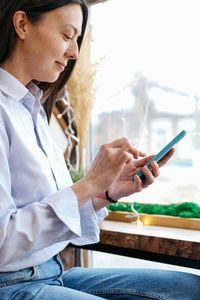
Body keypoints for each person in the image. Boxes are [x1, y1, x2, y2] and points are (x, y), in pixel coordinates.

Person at [0, 0, 199, 299]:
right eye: (67, 35)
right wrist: (89, 182)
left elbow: (52, 212)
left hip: (53, 272)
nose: (75, 52)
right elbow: (3, 244)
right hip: (11, 284)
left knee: (189, 288)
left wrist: (105, 192)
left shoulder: (31, 108)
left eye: (77, 40)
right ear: (22, 24)